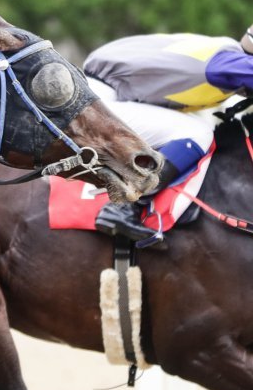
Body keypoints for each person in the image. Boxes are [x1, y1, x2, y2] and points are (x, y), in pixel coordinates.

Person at [83, 25, 253, 246]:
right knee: (197, 133)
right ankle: (124, 206)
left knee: (195, 127)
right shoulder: (229, 63)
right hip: (100, 101)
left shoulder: (226, 52)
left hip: (104, 93)